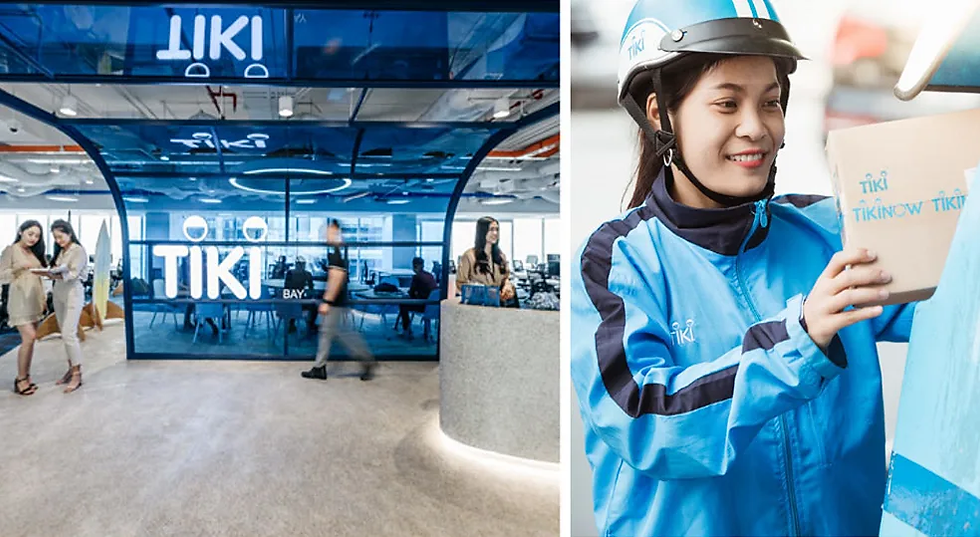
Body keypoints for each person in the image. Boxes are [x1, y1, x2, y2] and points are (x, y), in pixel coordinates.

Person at [570, 2, 916, 536]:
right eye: (727, 103)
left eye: (771, 102)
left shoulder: (831, 230)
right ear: (661, 113)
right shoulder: (616, 263)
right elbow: (644, 421)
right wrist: (799, 341)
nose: (756, 128)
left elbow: (951, 292)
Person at [302, 220, 375, 381]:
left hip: (335, 302)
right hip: (338, 301)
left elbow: (337, 277)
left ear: (336, 232)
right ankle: (320, 367)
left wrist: (327, 301)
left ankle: (366, 360)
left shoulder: (335, 251)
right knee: (329, 333)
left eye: (328, 232)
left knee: (341, 334)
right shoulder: (337, 250)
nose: (325, 235)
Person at [0, 221, 48, 395]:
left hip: (34, 301)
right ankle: (20, 379)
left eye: (37, 236)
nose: (33, 238)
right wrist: (17, 268)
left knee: (31, 341)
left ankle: (25, 376)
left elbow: (39, 279)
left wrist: (43, 299)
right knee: (29, 337)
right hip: (19, 301)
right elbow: (1, 276)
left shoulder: (33, 253)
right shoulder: (11, 250)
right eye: (30, 234)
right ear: (21, 231)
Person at [47, 219, 89, 394]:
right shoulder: (61, 252)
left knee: (68, 333)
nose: (58, 240)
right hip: (59, 294)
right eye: (55, 238)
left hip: (73, 293)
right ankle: (71, 368)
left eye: (61, 236)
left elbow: (72, 274)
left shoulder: (78, 250)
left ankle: (77, 373)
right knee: (64, 335)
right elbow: (58, 269)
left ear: (69, 233)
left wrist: (54, 275)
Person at [455, 216, 516, 307]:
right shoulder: (469, 256)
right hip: (478, 308)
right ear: (482, 232)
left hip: (500, 306)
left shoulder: (501, 256)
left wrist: (507, 286)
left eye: (497, 229)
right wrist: (485, 293)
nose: (495, 233)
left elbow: (506, 278)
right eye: (491, 229)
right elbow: (460, 283)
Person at [396, 257, 437, 340]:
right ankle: (426, 331)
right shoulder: (430, 275)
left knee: (403, 304)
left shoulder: (417, 277)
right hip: (433, 307)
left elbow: (411, 293)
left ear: (415, 266)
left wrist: (406, 294)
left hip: (423, 306)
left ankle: (406, 331)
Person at [284, 255, 316, 333]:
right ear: (304, 265)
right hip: (301, 302)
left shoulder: (290, 273)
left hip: (289, 301)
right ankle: (311, 325)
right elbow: (311, 288)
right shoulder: (307, 274)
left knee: (293, 301)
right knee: (314, 304)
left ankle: (292, 324)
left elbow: (286, 287)